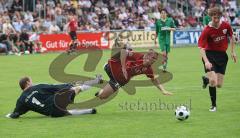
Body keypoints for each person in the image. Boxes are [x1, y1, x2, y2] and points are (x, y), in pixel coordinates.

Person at [6, 75, 103, 119]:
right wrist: (68, 85)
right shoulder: (37, 87)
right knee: (76, 89)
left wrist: (8, 115)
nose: (32, 82)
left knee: (65, 112)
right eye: (31, 81)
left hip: (53, 114)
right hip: (58, 102)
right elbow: (54, 87)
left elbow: (16, 114)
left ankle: (90, 111)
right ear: (27, 83)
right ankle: (96, 81)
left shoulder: (21, 100)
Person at [95, 47, 172, 100]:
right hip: (114, 68)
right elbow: (123, 52)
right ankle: (105, 70)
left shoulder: (148, 69)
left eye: (154, 60)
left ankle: (99, 81)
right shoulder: (137, 55)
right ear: (147, 57)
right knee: (113, 63)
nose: (153, 61)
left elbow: (154, 79)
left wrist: (163, 90)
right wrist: (123, 68)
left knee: (102, 97)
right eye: (153, 59)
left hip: (120, 80)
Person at [198, 7, 237, 112]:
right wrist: (206, 61)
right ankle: (213, 105)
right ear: (211, 17)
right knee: (213, 82)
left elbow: (232, 37)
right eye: (214, 18)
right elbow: (201, 48)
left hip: (222, 57)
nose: (216, 20)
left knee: (219, 85)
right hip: (210, 55)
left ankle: (206, 79)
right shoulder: (207, 30)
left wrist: (233, 51)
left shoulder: (226, 25)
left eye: (218, 17)